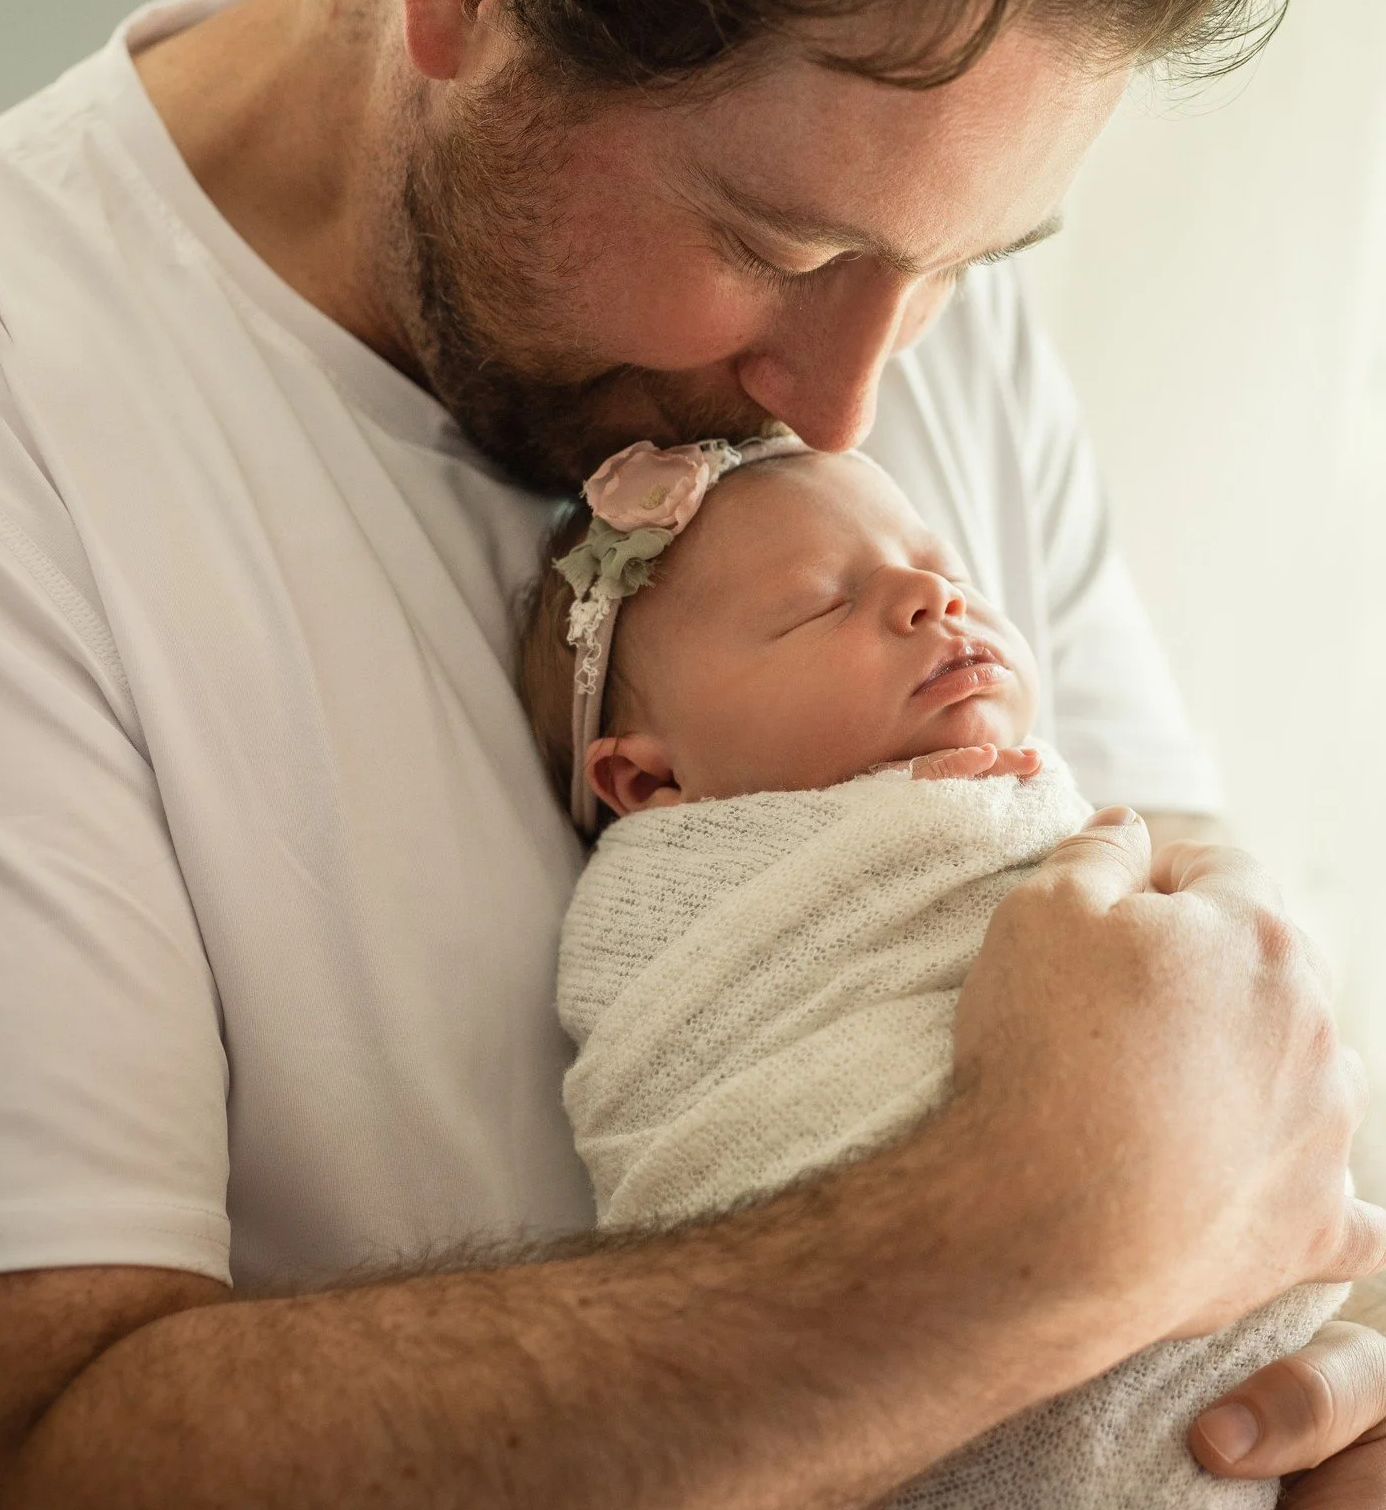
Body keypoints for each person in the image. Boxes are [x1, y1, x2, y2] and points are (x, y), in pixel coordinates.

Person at [0, 0, 1386, 1504]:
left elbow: (1248, 1059)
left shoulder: (892, 278)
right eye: (780, 249)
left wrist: (1328, 1374)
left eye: (967, 265)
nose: (854, 394)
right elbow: (20, 1451)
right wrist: (1014, 1248)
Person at [531, 437, 1345, 1506]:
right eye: (817, 606)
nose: (931, 598)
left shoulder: (1056, 816)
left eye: (947, 570)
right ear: (647, 779)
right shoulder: (683, 915)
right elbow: (697, 1105)